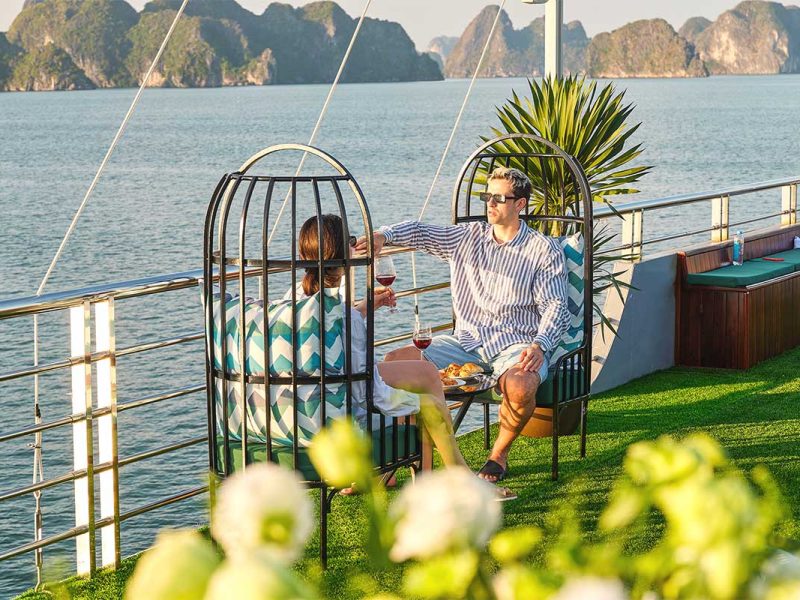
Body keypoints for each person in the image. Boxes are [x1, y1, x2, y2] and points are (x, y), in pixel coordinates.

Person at [356, 167, 570, 483]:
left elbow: (556, 306)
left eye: (499, 198)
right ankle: (401, 460)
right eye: (487, 196)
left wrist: (541, 344)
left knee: (522, 385)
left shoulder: (543, 250)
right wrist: (383, 236)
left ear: (520, 204)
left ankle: (498, 455)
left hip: (516, 345)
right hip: (465, 341)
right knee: (394, 363)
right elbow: (419, 232)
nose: (490, 203)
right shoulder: (466, 237)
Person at [296, 214, 471, 474]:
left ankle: (402, 477)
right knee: (427, 403)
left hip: (300, 411)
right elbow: (369, 391)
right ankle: (458, 476)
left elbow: (334, 327)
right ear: (343, 251)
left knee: (423, 375)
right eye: (352, 241)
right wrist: (413, 402)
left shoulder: (296, 300)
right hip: (337, 419)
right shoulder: (346, 318)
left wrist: (365, 307)